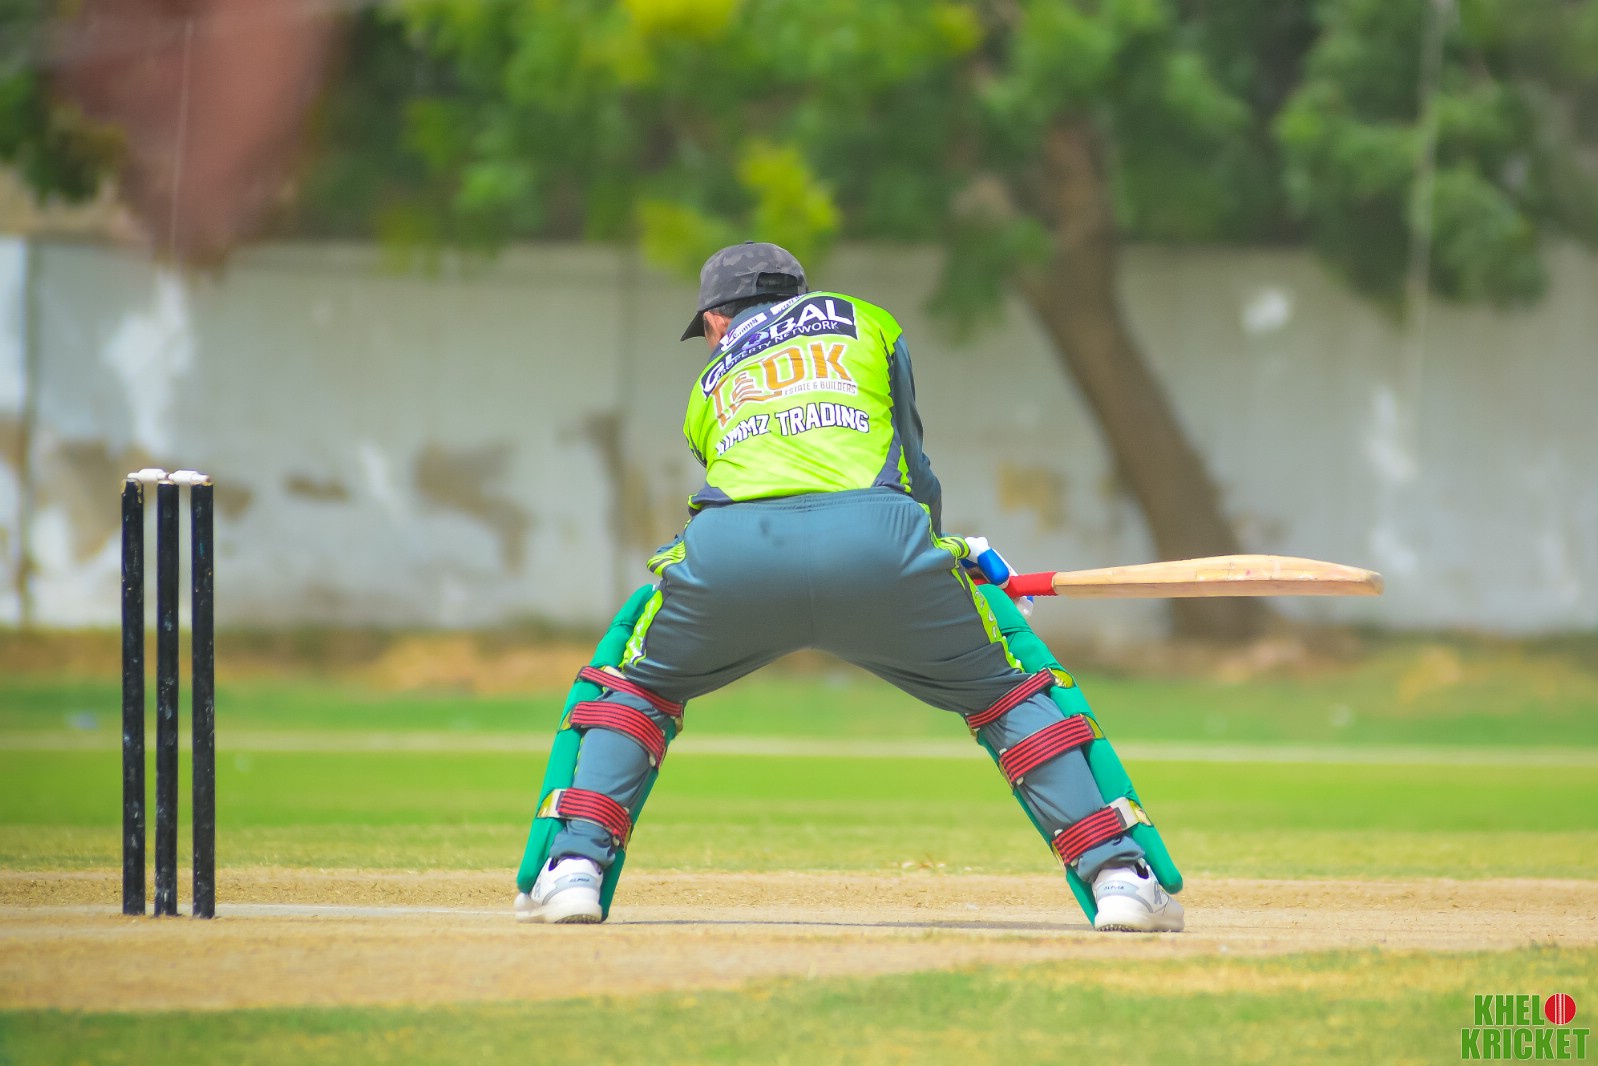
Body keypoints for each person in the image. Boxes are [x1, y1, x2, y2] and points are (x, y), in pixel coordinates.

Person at [516, 241, 1182, 933]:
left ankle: (574, 869)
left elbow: (752, 478)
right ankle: (1118, 878)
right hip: (880, 545)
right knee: (1008, 693)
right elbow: (910, 466)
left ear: (715, 319)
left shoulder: (708, 384)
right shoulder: (871, 323)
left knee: (635, 691)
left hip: (734, 554)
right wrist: (946, 559)